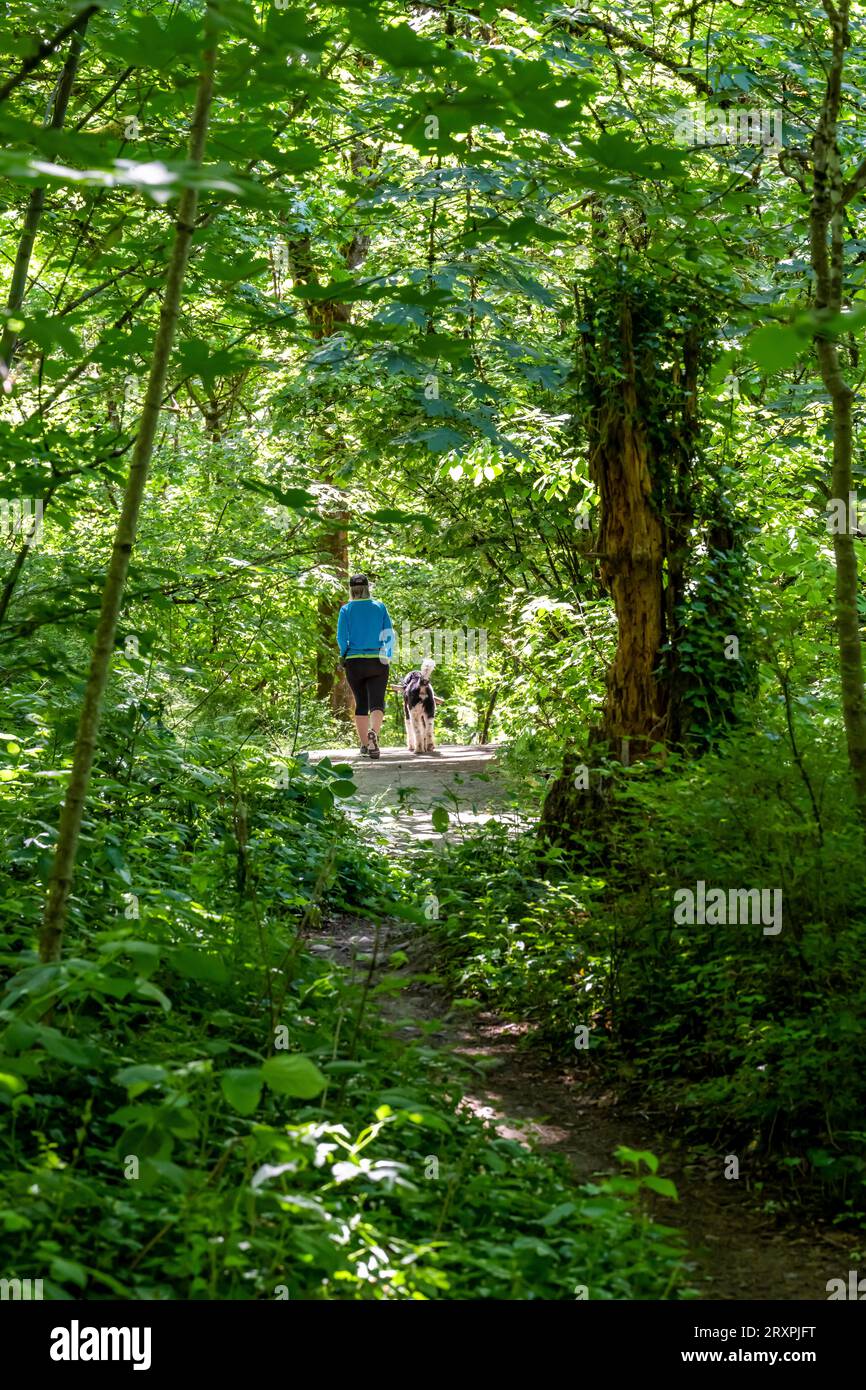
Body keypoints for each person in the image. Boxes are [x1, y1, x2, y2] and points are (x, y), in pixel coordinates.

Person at [336, 573, 394, 759]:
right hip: (378, 659)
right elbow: (389, 633)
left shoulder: (346, 610)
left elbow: (341, 637)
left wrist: (343, 654)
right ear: (368, 588)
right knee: (377, 702)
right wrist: (388, 655)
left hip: (354, 661)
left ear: (351, 589)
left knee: (361, 703)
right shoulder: (379, 607)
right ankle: (373, 736)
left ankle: (364, 745)